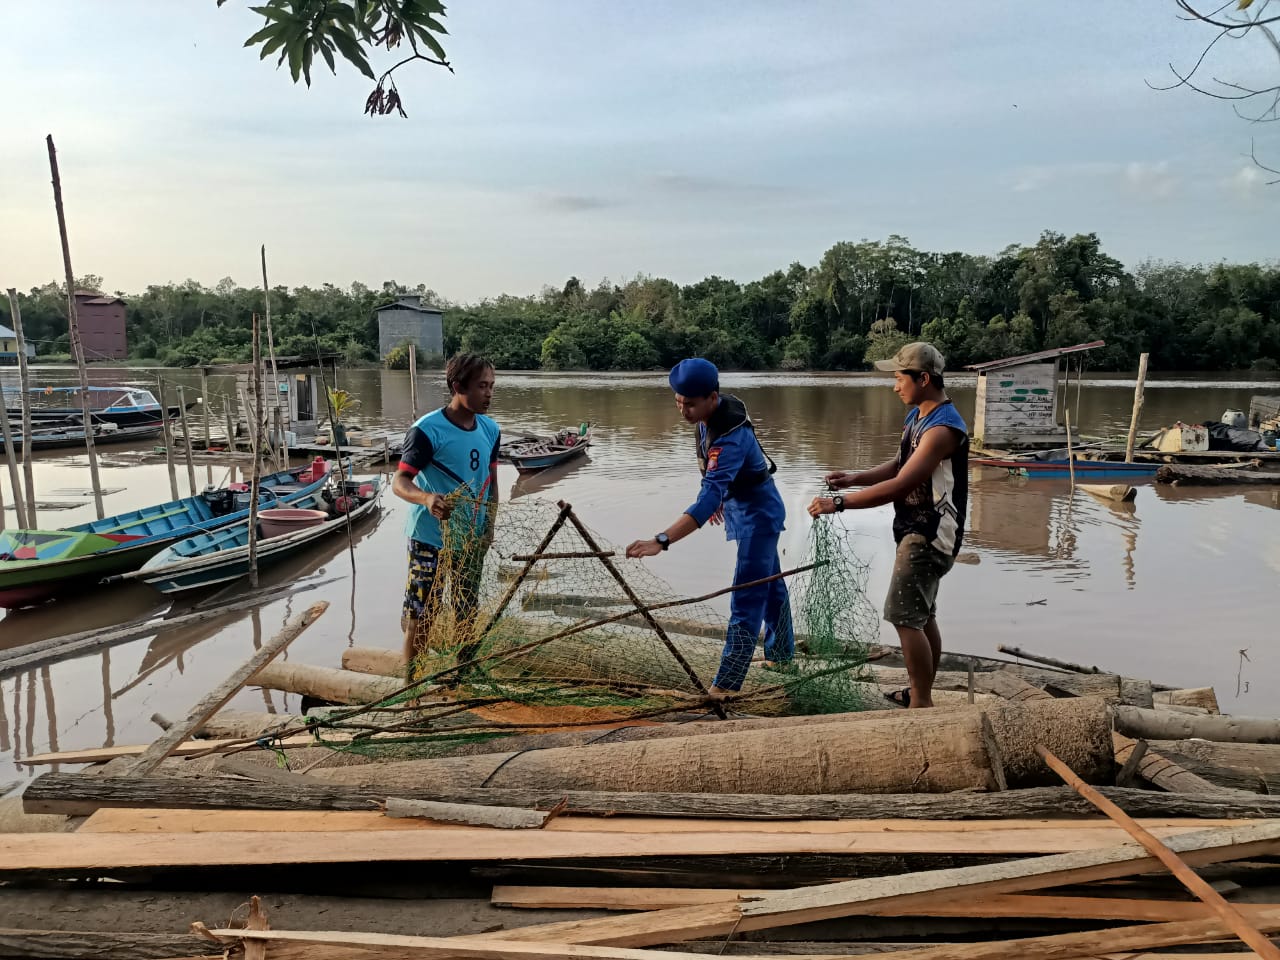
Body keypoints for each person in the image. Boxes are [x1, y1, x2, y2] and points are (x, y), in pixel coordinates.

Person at [807, 342, 968, 709]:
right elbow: (898, 465)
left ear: (923, 379)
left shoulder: (943, 429)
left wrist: (839, 504)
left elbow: (901, 485)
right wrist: (853, 478)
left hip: (930, 534)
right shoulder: (918, 417)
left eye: (899, 379)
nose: (895, 387)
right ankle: (922, 693)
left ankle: (921, 704)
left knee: (904, 617)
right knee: (922, 615)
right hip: (916, 529)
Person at [625, 358, 793, 698]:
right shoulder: (708, 417)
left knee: (746, 597)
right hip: (742, 508)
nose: (683, 410)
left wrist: (662, 540)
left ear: (712, 398)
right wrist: (719, 498)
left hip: (758, 516)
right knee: (771, 586)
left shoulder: (731, 437)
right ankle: (782, 657)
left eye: (690, 404)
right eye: (678, 401)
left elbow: (708, 494)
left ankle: (727, 686)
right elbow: (713, 477)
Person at [393, 353, 500, 680]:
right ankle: (411, 687)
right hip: (429, 539)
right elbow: (400, 482)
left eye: (491, 386)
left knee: (467, 610)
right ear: (458, 387)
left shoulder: (491, 429)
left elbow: (492, 482)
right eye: (481, 386)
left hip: (471, 539)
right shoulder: (427, 430)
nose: (489, 393)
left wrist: (488, 527)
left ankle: (460, 677)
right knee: (422, 614)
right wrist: (426, 498)